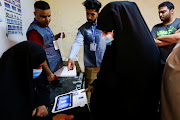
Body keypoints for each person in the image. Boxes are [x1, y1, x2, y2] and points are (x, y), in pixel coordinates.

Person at [83, 1, 161, 120]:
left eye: (108, 30)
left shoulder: (143, 49)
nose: (104, 36)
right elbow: (108, 67)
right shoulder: (118, 44)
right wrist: (96, 84)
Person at [0, 41, 74, 120]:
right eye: (39, 66)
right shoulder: (5, 92)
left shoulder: (28, 70)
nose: (40, 69)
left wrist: (42, 104)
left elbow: (42, 87)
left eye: (42, 66)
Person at [67, 0, 106, 102]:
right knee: (89, 90)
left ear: (98, 13)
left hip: (105, 65)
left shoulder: (105, 27)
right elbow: (77, 43)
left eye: (92, 14)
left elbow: (110, 43)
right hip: (90, 66)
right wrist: (71, 57)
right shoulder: (83, 29)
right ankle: (89, 111)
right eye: (87, 13)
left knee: (104, 89)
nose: (89, 17)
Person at [27, 1, 64, 73]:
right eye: (43, 17)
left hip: (55, 65)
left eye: (49, 16)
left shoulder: (44, 25)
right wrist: (49, 74)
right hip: (48, 69)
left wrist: (57, 36)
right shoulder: (34, 32)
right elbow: (38, 55)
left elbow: (46, 40)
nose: (47, 20)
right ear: (35, 14)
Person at [151, 1, 180, 67]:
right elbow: (153, 42)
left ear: (172, 11)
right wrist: (173, 39)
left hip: (177, 63)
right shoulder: (156, 27)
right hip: (161, 63)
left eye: (163, 12)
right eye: (159, 12)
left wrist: (160, 38)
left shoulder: (179, 22)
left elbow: (179, 37)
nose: (160, 15)